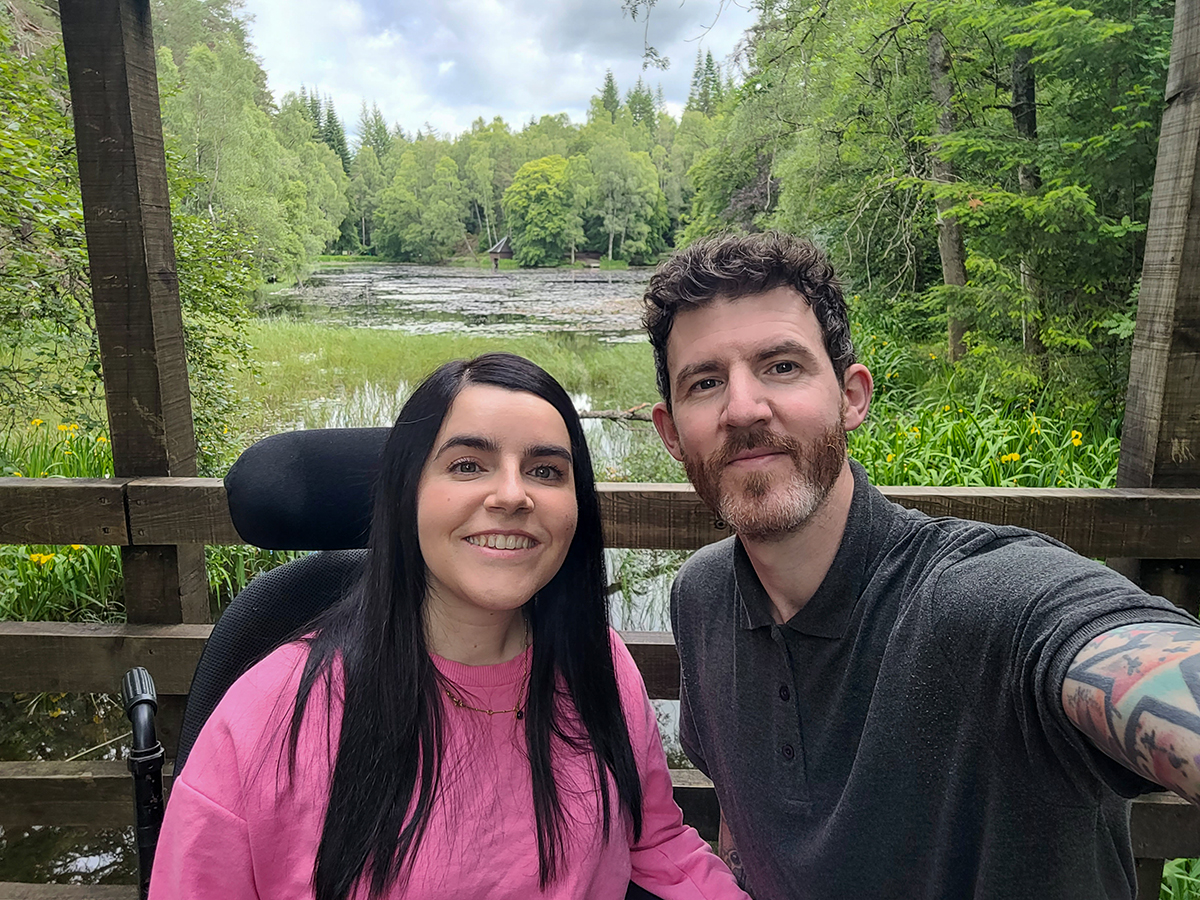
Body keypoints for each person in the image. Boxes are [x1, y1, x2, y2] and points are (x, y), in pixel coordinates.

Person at [643, 231, 1200, 899]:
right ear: (672, 432)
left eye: (781, 366)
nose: (743, 408)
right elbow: (743, 826)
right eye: (705, 382)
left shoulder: (985, 598)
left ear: (852, 397)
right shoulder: (702, 596)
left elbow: (1126, 658)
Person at [150, 352, 749, 900]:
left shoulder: (598, 665)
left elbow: (658, 845)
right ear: (406, 494)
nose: (513, 494)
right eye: (468, 465)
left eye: (546, 470)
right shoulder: (269, 716)